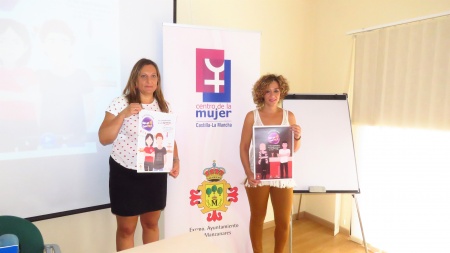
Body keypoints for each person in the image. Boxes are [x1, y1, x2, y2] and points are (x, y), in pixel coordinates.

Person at [98, 58, 180, 251]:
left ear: (158, 81)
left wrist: (175, 159)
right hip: (125, 173)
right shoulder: (121, 103)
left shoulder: (163, 105)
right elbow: (104, 138)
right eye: (143, 76)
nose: (149, 80)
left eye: (153, 76)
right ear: (135, 80)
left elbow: (170, 138)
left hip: (154, 171)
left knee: (151, 224)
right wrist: (123, 114)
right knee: (126, 229)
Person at [239, 74, 302, 253]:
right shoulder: (252, 116)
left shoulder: (289, 116)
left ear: (281, 92)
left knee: (283, 221)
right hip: (258, 174)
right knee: (258, 219)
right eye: (267, 91)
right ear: (261, 94)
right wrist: (249, 173)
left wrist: (297, 136)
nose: (272, 95)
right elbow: (243, 147)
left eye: (276, 90)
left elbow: (293, 149)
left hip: (282, 176)